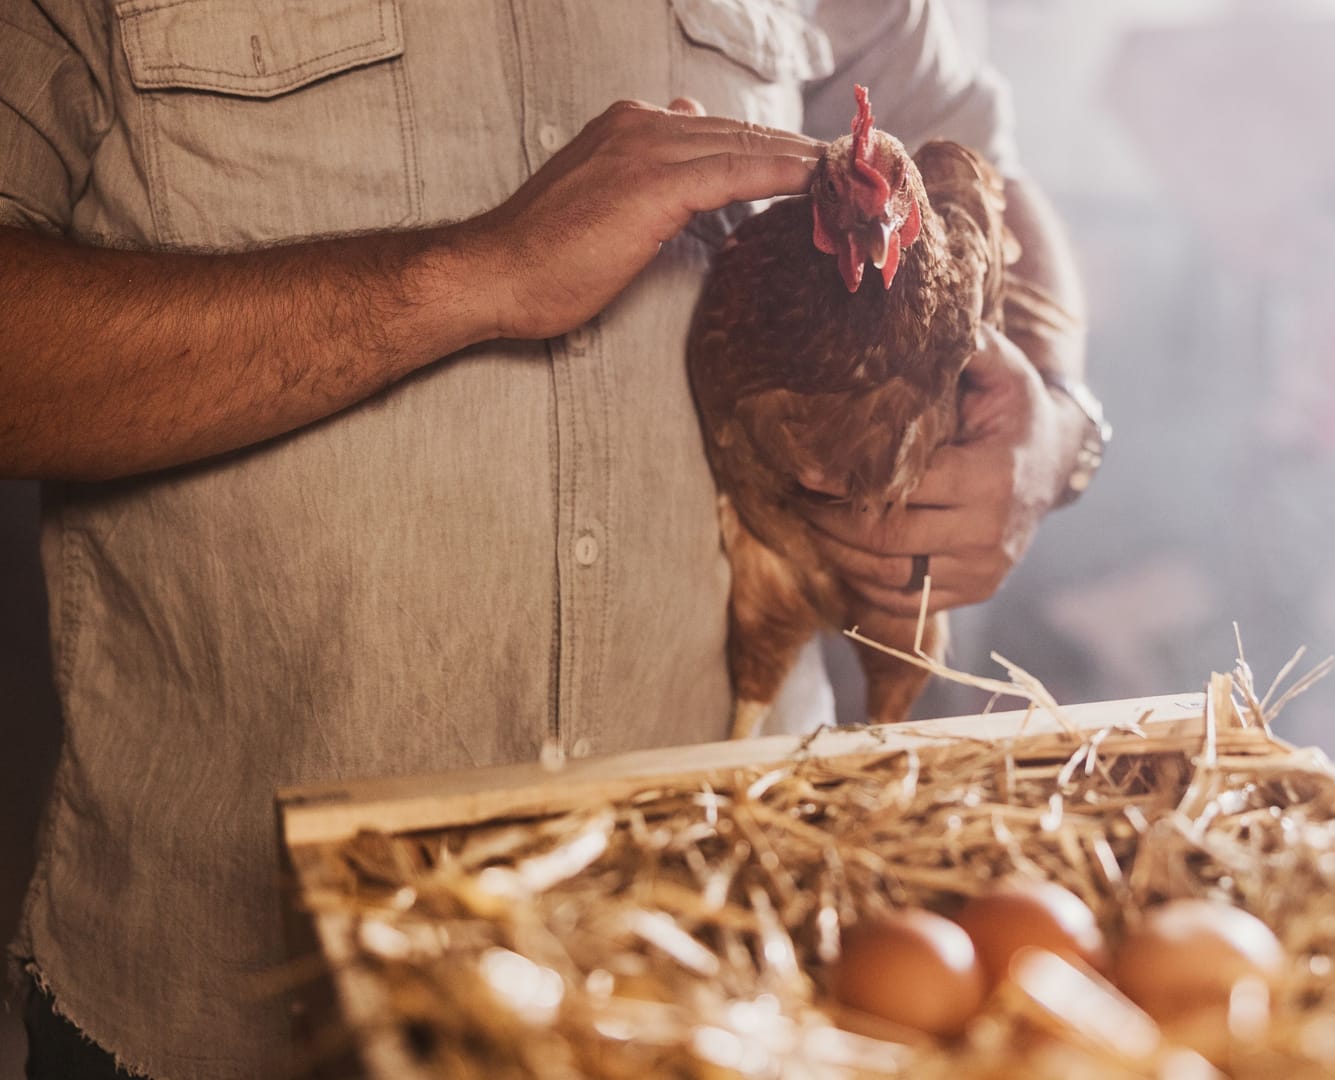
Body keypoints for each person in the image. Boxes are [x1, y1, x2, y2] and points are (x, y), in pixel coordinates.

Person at [0, 1, 1101, 1076]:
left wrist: (1052, 420)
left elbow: (980, 164)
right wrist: (477, 273)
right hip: (239, 1001)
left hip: (725, 971)